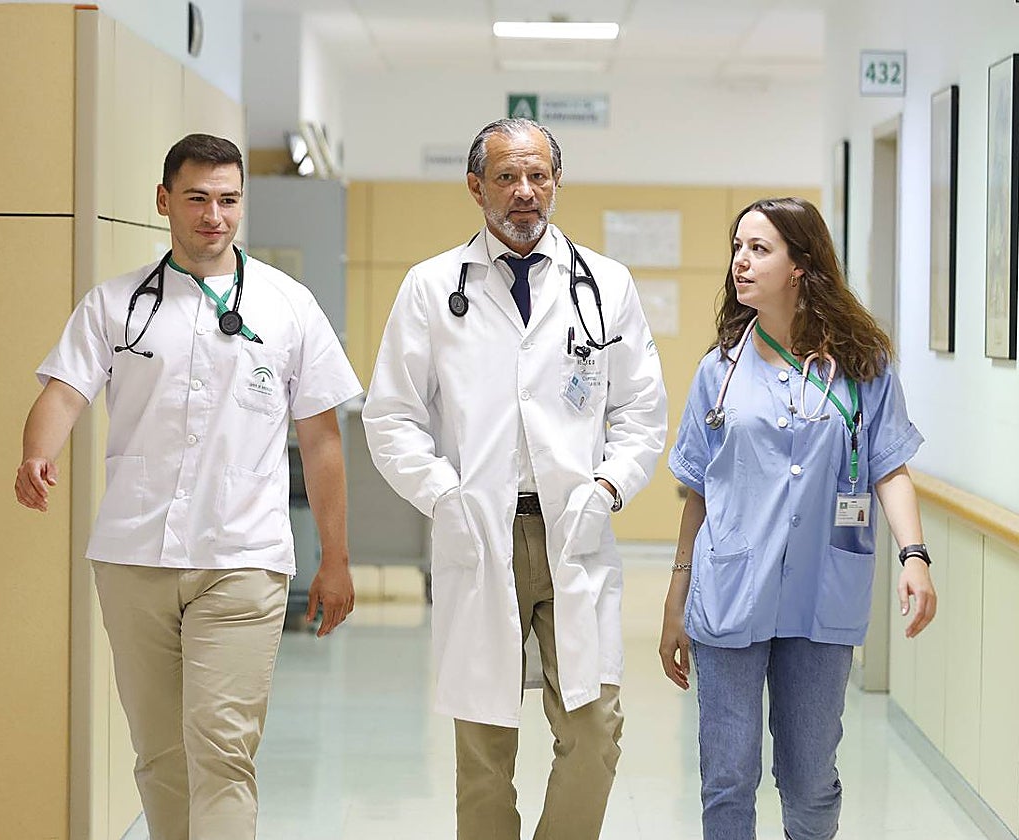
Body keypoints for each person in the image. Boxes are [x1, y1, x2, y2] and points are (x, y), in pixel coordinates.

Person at [14, 134, 362, 840]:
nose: (215, 215)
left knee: (222, 750)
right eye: (198, 198)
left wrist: (335, 557)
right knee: (162, 755)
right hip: (135, 555)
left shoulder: (290, 306)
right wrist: (35, 453)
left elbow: (323, 439)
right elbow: (64, 392)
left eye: (229, 199)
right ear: (164, 201)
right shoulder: (116, 304)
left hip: (243, 557)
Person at [362, 117, 667, 840]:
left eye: (538, 176)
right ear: (476, 187)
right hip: (477, 529)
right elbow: (391, 417)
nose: (524, 192)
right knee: (484, 753)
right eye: (506, 177)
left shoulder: (605, 285)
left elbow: (642, 411)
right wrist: (443, 493)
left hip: (576, 531)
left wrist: (609, 487)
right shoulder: (431, 288)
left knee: (595, 736)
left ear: (556, 182)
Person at [658, 197, 937, 840]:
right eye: (736, 247)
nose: (740, 262)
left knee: (810, 782)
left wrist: (914, 556)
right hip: (729, 592)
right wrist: (677, 598)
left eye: (759, 249)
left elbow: (889, 466)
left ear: (801, 264)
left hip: (821, 592)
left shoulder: (864, 366)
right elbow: (697, 490)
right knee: (726, 779)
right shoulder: (718, 371)